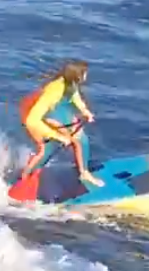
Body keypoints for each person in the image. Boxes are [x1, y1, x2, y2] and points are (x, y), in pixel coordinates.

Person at [18, 60, 101, 188]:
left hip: (58, 110)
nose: (86, 76)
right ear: (77, 75)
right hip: (41, 116)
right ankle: (25, 177)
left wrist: (85, 112)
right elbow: (33, 119)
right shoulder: (54, 91)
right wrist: (57, 136)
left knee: (80, 139)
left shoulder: (71, 82)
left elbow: (75, 96)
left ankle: (84, 172)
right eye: (85, 73)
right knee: (49, 148)